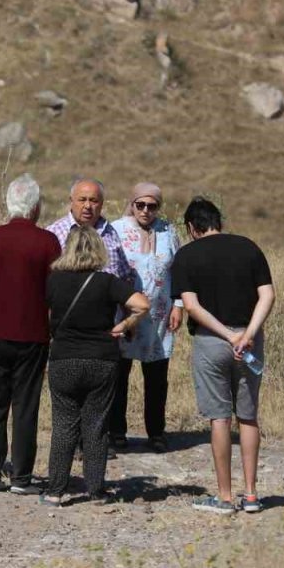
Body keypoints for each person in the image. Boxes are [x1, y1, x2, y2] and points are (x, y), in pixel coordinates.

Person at [171, 197, 275, 516]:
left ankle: (225, 497)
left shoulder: (187, 255)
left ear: (191, 228)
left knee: (220, 417)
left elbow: (191, 306)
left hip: (211, 342)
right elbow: (267, 294)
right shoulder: (248, 247)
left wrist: (228, 336)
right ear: (220, 221)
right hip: (250, 341)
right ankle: (253, 494)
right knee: (247, 416)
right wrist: (247, 334)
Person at [0, 174, 62, 494]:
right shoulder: (48, 242)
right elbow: (55, 291)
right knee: (25, 405)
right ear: (35, 206)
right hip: (33, 334)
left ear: (10, 203)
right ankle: (21, 478)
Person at [43, 225, 150, 507]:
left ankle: (55, 490)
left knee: (64, 425)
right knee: (96, 425)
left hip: (63, 358)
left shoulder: (53, 281)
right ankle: (96, 490)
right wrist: (124, 325)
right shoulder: (107, 281)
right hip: (101, 359)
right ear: (98, 250)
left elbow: (46, 315)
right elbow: (142, 305)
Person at [110, 182, 183, 454]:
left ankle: (156, 431)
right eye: (140, 204)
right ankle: (116, 430)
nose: (146, 211)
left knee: (157, 376)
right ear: (132, 203)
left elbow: (178, 270)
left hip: (159, 316)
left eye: (152, 206)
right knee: (119, 374)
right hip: (125, 313)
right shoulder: (117, 229)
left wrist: (179, 305)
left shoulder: (168, 231)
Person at [46, 178, 130, 280]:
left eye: (93, 201)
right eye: (82, 200)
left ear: (102, 203)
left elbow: (125, 275)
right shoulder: (54, 233)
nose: (87, 206)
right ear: (71, 201)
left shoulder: (110, 232)